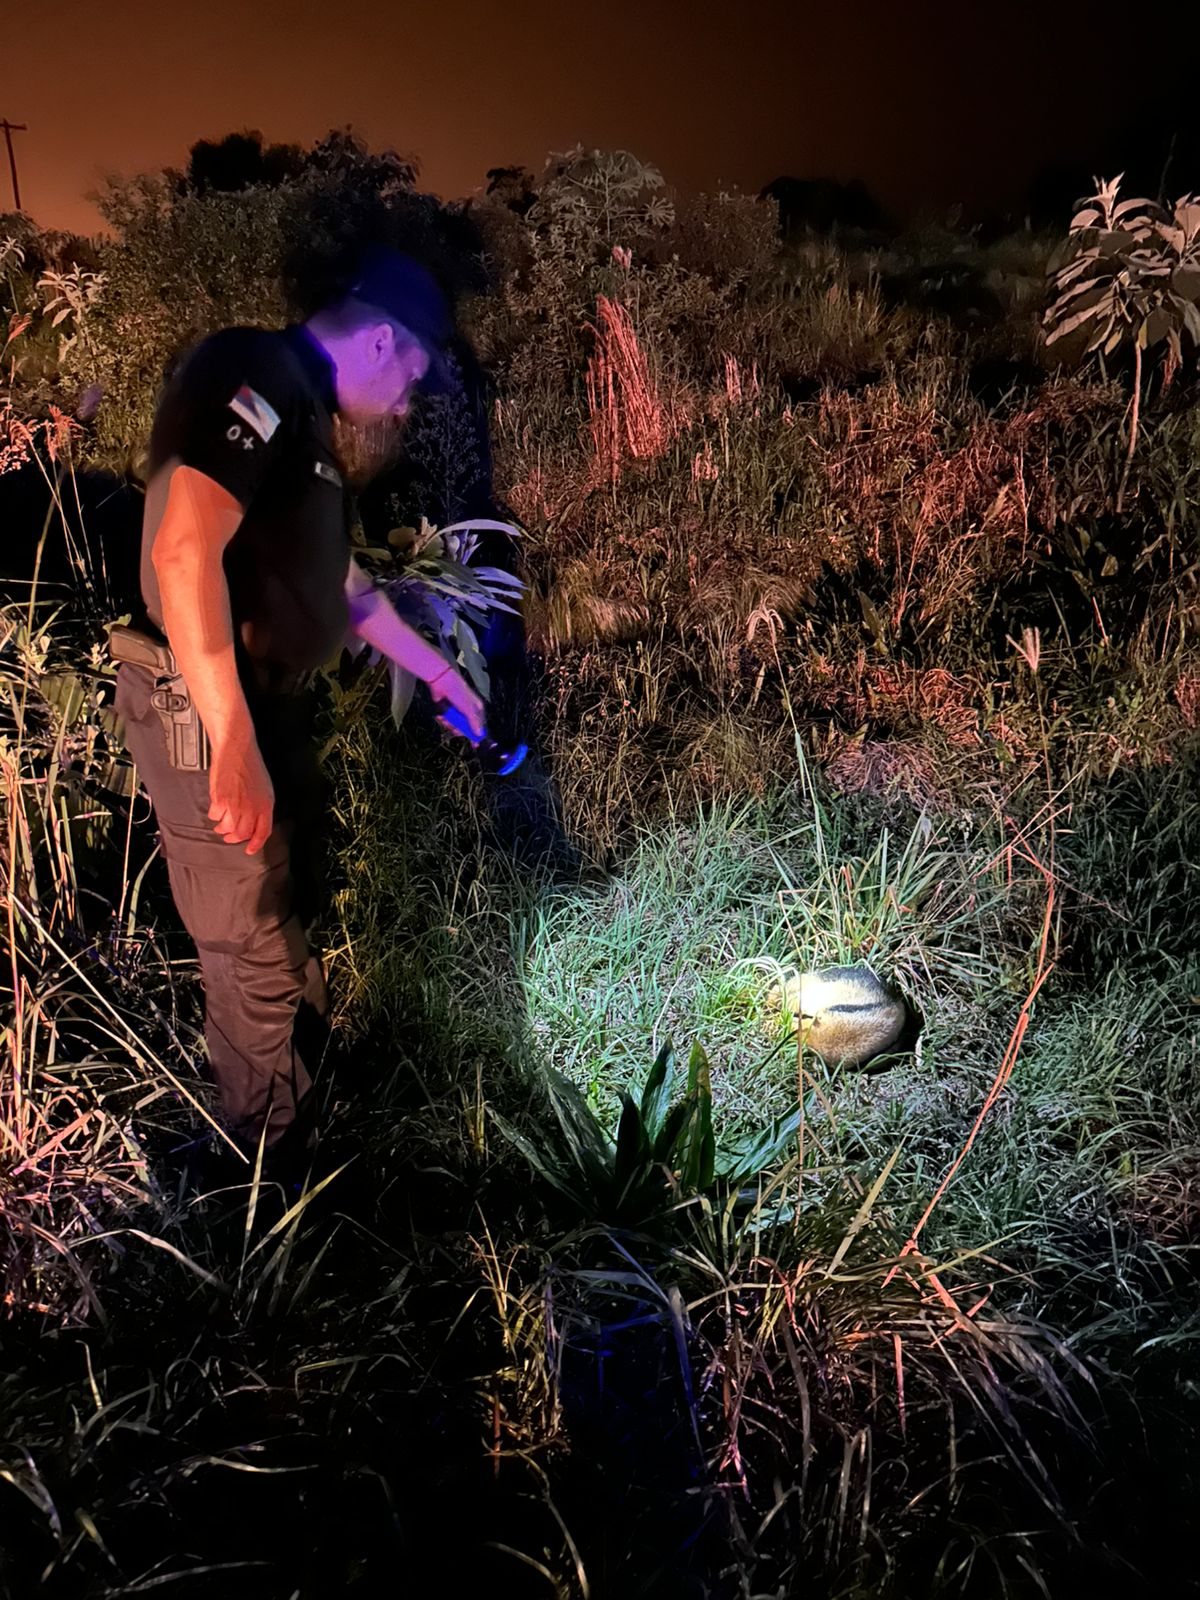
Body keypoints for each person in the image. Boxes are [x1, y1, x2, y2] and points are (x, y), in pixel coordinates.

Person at [113, 247, 485, 1173]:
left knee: (289, 910)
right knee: (251, 948)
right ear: (386, 340)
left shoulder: (306, 420)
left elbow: (347, 588)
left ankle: (301, 1115)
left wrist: (437, 674)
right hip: (203, 704)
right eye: (411, 381)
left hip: (261, 705)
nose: (404, 406)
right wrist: (231, 740)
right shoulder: (254, 370)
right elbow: (184, 548)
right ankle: (261, 1192)